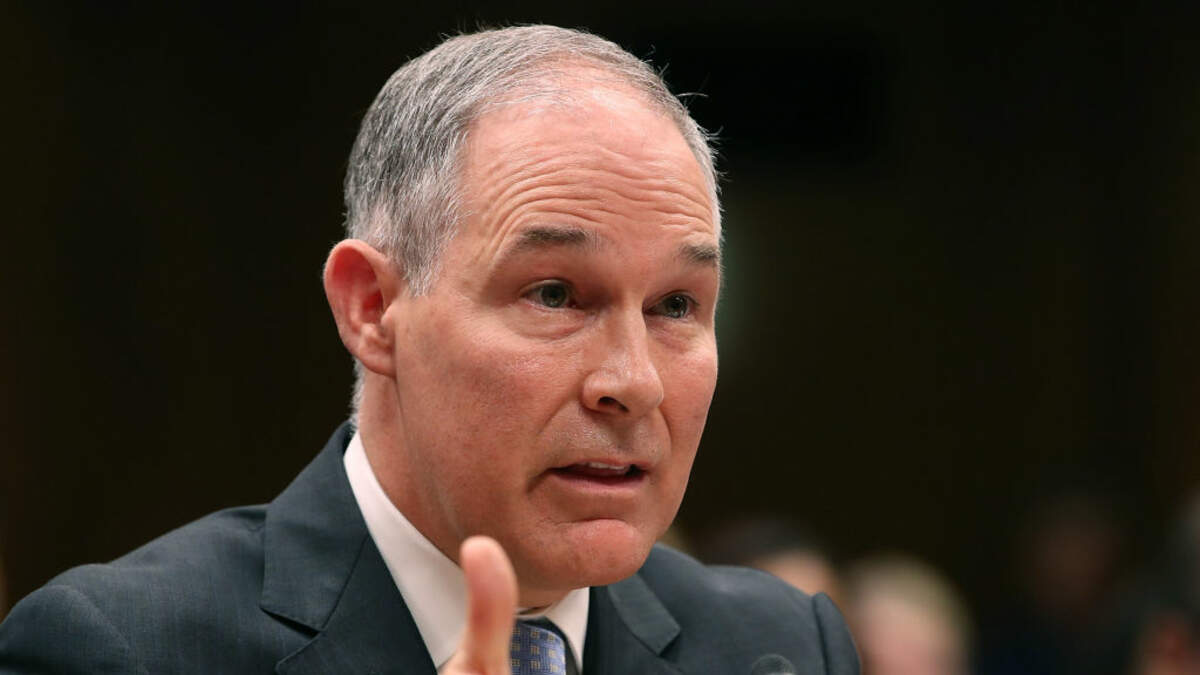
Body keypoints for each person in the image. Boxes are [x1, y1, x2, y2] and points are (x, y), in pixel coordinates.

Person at [0, 25, 859, 674]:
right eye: (554, 294)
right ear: (373, 308)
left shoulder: (782, 646)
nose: (633, 381)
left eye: (676, 304)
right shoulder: (117, 650)